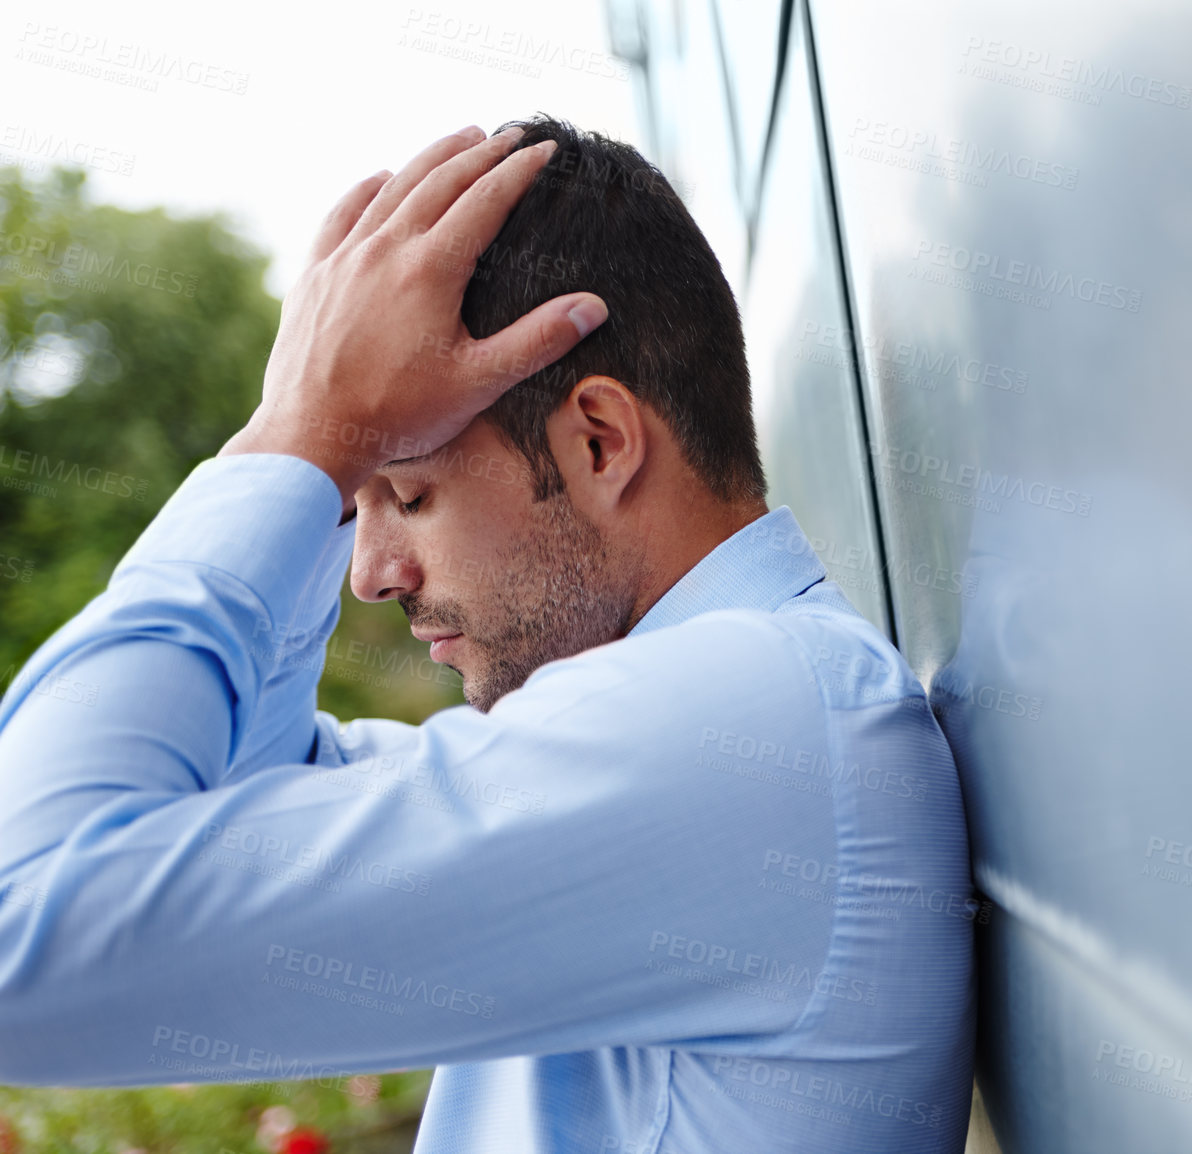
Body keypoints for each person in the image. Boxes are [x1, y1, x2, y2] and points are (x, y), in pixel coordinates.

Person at [0, 116, 977, 1154]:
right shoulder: (713, 709)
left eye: (408, 494)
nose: (369, 574)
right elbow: (225, 801)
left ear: (598, 442)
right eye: (351, 506)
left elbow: (23, 942)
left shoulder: (742, 717)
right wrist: (294, 430)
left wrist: (301, 439)